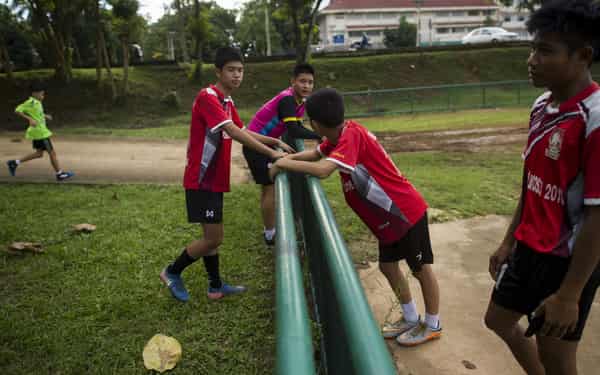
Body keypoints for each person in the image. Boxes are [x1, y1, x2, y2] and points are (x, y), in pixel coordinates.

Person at [269, 88, 442, 346]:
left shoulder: (350, 136)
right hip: (386, 218)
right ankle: (409, 316)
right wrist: (284, 157)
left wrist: (283, 164)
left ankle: (432, 323)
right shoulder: (338, 135)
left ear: (315, 123)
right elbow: (316, 155)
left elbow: (323, 169)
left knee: (420, 269)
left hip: (403, 212)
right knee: (388, 266)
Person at [484, 1, 600, 374]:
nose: (532, 60)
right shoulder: (541, 106)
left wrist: (570, 294)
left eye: (545, 51)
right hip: (529, 247)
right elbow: (532, 183)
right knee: (497, 319)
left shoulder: (594, 119)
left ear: (583, 56)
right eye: (533, 49)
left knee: (557, 358)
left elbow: (598, 215)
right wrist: (508, 240)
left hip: (566, 262)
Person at [160, 47, 293, 302]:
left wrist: (275, 141)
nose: (237, 75)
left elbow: (244, 129)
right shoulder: (207, 96)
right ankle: (171, 271)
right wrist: (272, 153)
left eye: (240, 70)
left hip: (215, 180)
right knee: (213, 238)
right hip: (202, 180)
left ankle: (215, 286)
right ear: (218, 71)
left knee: (212, 237)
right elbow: (233, 131)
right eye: (231, 70)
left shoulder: (226, 101)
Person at [243, 63, 321, 246]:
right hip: (255, 146)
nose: (306, 86)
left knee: (270, 185)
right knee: (268, 187)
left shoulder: (299, 101)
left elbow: (297, 126)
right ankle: (270, 234)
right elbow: (293, 131)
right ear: (292, 81)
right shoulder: (287, 100)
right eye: (302, 81)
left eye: (310, 82)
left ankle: (271, 229)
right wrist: (320, 136)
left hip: (266, 143)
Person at [6, 82, 74, 181]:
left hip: (39, 131)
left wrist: (45, 115)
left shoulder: (37, 103)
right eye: (41, 94)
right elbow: (17, 110)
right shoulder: (31, 102)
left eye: (43, 94)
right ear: (34, 93)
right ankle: (60, 174)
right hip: (40, 132)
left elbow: (37, 113)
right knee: (52, 153)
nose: (43, 96)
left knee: (39, 153)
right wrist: (29, 119)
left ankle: (15, 162)